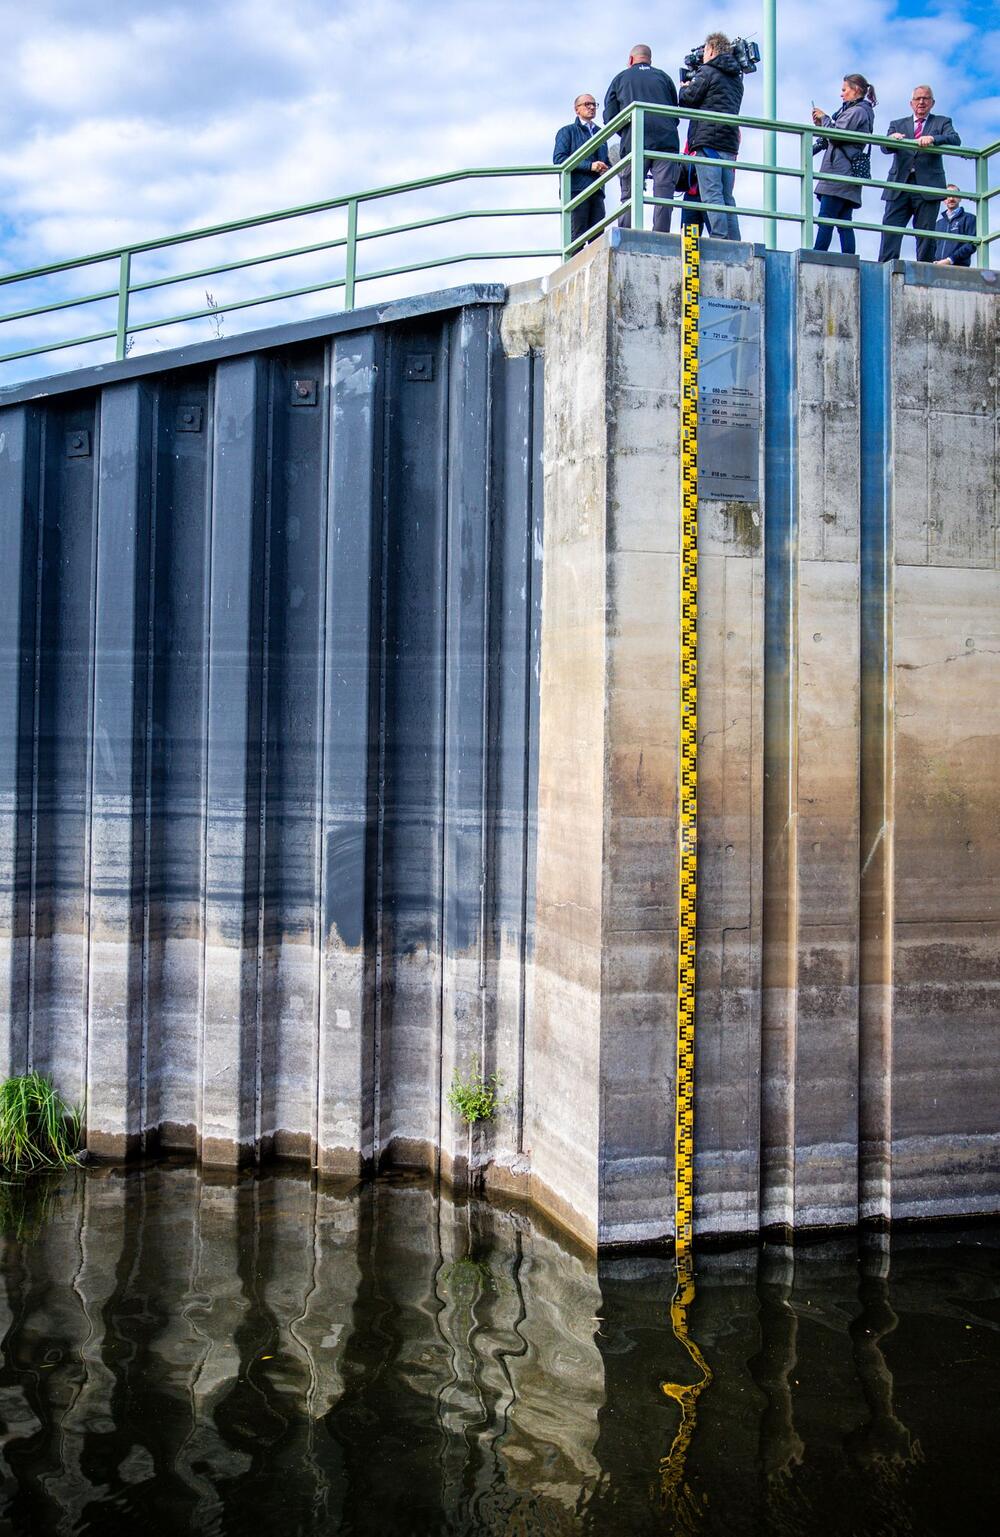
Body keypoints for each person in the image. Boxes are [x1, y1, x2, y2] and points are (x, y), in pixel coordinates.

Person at [878, 86, 960, 262]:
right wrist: (890, 140)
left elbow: (955, 139)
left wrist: (933, 139)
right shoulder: (897, 124)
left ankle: (924, 270)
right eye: (918, 99)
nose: (921, 102)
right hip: (899, 184)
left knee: (925, 234)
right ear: (911, 103)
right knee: (891, 229)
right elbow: (884, 148)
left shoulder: (942, 122)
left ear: (932, 103)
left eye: (926, 98)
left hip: (927, 186)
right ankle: (885, 267)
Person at [604, 44, 680, 232]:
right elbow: (675, 112)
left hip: (634, 142)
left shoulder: (621, 78)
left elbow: (610, 117)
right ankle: (661, 234)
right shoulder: (664, 77)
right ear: (650, 60)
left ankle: (627, 232)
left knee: (629, 193)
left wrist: (626, 132)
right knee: (664, 194)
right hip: (666, 141)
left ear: (631, 60)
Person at [678, 32, 745, 240]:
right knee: (727, 197)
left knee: (711, 194)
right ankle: (734, 241)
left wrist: (684, 88)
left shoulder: (707, 71)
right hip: (729, 142)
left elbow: (688, 100)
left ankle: (720, 237)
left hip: (707, 140)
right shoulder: (737, 78)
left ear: (710, 49)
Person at [810, 75, 876, 254]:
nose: (841, 94)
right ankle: (849, 258)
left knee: (827, 218)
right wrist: (822, 124)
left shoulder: (857, 111)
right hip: (847, 174)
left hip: (839, 173)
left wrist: (824, 119)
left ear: (856, 89)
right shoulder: (859, 111)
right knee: (844, 221)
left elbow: (838, 135)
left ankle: (817, 254)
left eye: (844, 89)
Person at [553, 93, 611, 249]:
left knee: (598, 238)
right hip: (576, 191)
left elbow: (605, 160)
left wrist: (606, 168)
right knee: (577, 237)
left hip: (597, 191)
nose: (592, 107)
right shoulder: (567, 131)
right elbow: (559, 159)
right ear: (576, 109)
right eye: (587, 104)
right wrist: (589, 166)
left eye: (594, 104)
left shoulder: (602, 132)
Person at [934, 186, 977, 266]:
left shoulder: (969, 219)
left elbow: (971, 244)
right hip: (937, 267)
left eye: (954, 195)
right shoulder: (938, 224)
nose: (951, 198)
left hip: (959, 268)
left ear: (960, 198)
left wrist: (950, 259)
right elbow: (933, 246)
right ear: (944, 199)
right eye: (948, 195)